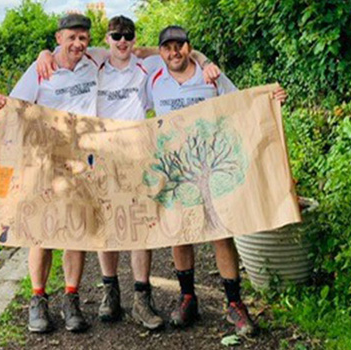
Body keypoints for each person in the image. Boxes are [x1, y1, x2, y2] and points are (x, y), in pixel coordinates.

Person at [35, 18, 223, 331]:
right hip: (99, 154)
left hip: (137, 153)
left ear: (135, 40)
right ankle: (111, 293)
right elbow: (65, 51)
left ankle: (141, 297)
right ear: (107, 39)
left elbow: (180, 53)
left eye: (128, 36)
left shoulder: (146, 66)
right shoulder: (94, 61)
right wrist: (44, 53)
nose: (122, 41)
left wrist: (205, 60)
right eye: (116, 36)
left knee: (140, 223)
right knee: (105, 224)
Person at [146, 25, 287, 336]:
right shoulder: (153, 81)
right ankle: (187, 298)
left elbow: (242, 104)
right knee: (179, 233)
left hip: (211, 165)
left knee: (220, 230)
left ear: (189, 47)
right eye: (168, 47)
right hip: (176, 169)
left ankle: (234, 304)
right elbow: (129, 111)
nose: (174, 52)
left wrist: (271, 100)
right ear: (161, 53)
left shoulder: (210, 75)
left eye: (180, 46)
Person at [0, 13, 107, 333]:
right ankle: (38, 300)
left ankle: (71, 299)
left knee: (76, 231)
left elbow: (135, 52)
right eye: (72, 37)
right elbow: (15, 104)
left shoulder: (95, 61)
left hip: (84, 160)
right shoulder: (41, 68)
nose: (78, 44)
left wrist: (198, 57)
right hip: (46, 161)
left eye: (83, 38)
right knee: (41, 232)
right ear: (58, 39)